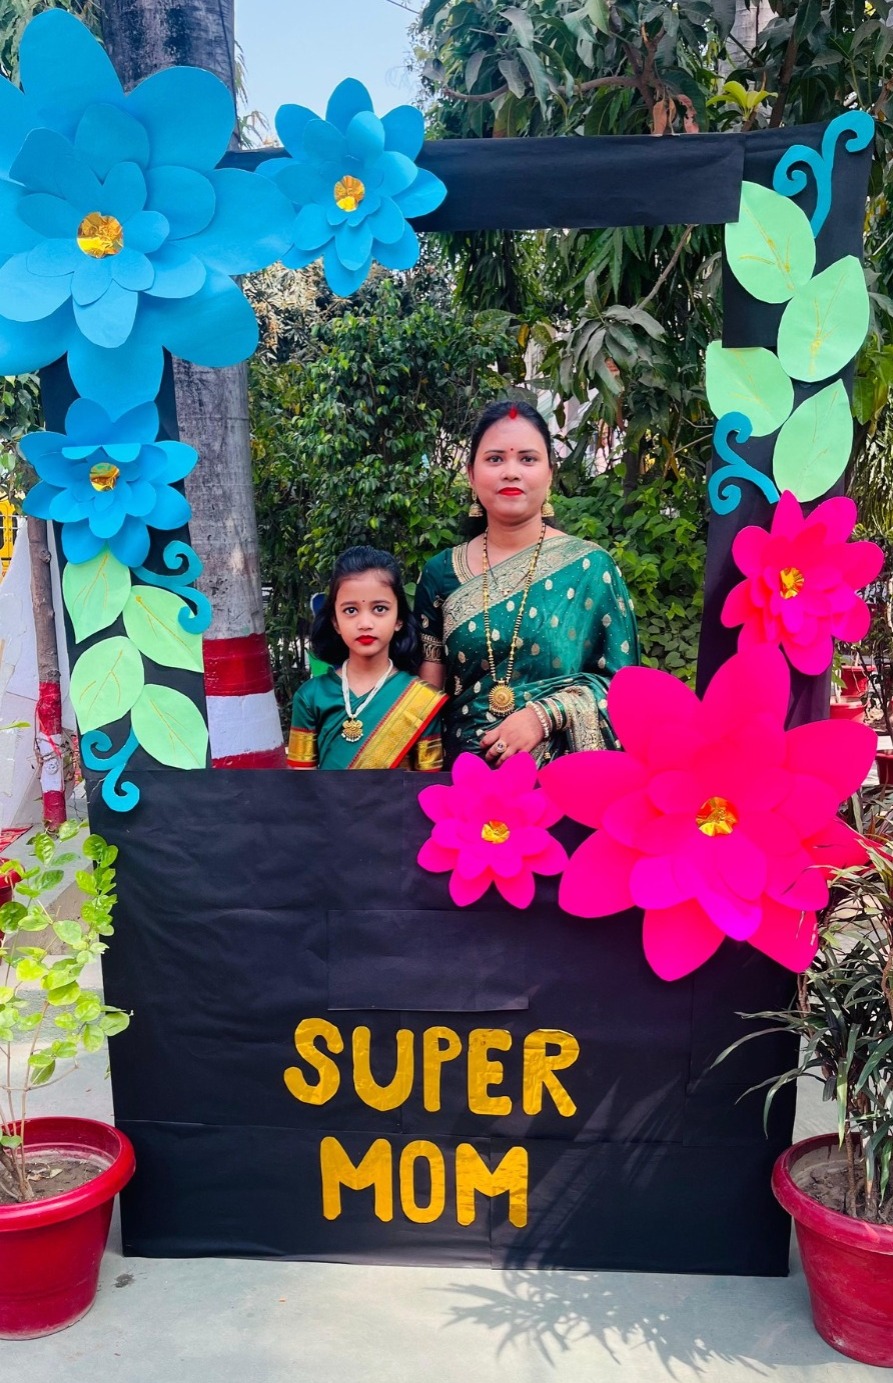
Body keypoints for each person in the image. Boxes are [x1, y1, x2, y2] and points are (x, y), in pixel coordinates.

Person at [415, 399, 639, 767]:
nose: (511, 472)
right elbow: (428, 697)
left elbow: (626, 692)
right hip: (463, 782)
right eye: (495, 459)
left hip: (561, 784)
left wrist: (545, 715)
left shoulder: (590, 568)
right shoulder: (440, 573)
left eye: (527, 459)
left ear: (549, 473)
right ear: (471, 474)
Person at [288, 546, 447, 770]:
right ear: (335, 622)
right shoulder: (311, 696)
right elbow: (300, 781)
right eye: (350, 610)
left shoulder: (420, 699)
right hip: (324, 796)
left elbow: (427, 782)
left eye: (379, 609)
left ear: (399, 619)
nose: (365, 623)